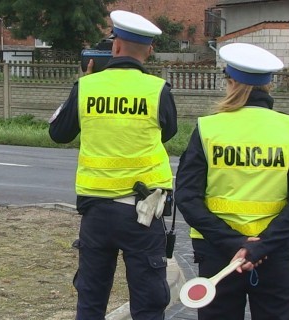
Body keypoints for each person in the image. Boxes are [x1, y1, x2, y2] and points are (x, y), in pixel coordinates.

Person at [48, 10, 178, 320]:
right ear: (148, 51)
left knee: (91, 301)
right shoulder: (158, 90)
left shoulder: (87, 87)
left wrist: (80, 84)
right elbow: (168, 132)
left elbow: (58, 132)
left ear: (115, 46)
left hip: (97, 214)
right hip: (143, 212)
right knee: (147, 303)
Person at [175, 43, 289, 320]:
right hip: (275, 253)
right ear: (268, 86)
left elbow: (188, 197)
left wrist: (234, 244)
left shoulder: (208, 129)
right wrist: (259, 247)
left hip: (218, 254)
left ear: (231, 83)